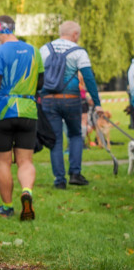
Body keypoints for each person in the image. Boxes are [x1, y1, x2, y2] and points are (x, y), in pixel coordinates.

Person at [0, 16, 43, 219]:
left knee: (3, 162)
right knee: (25, 161)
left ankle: (6, 207)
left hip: (3, 112)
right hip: (28, 111)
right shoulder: (34, 50)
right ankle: (27, 192)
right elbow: (40, 83)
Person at [38, 21, 104, 189]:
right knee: (75, 135)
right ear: (75, 34)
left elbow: (37, 75)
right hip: (71, 99)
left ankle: (59, 180)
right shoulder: (78, 52)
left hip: (49, 100)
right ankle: (75, 173)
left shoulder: (44, 49)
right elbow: (88, 78)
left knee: (56, 140)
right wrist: (97, 103)